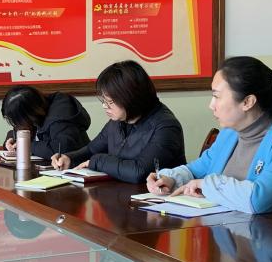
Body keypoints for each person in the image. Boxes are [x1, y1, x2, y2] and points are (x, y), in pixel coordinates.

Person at [147, 56, 272, 219]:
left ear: (247, 102)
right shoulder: (230, 133)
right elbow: (197, 169)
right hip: (230, 230)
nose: (211, 105)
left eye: (216, 96)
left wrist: (206, 185)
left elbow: (258, 200)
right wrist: (170, 178)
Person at [52, 60, 185, 182]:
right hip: (119, 193)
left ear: (131, 98)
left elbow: (140, 171)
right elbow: (92, 150)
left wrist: (97, 161)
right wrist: (69, 158)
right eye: (103, 100)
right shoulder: (118, 120)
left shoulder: (166, 127)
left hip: (154, 197)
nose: (104, 106)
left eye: (110, 102)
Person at [0, 85, 91, 159]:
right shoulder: (36, 112)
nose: (17, 125)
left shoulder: (60, 113)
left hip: (78, 168)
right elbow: (19, 130)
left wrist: (26, 145)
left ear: (29, 114)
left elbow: (61, 149)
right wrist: (12, 140)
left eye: (18, 120)